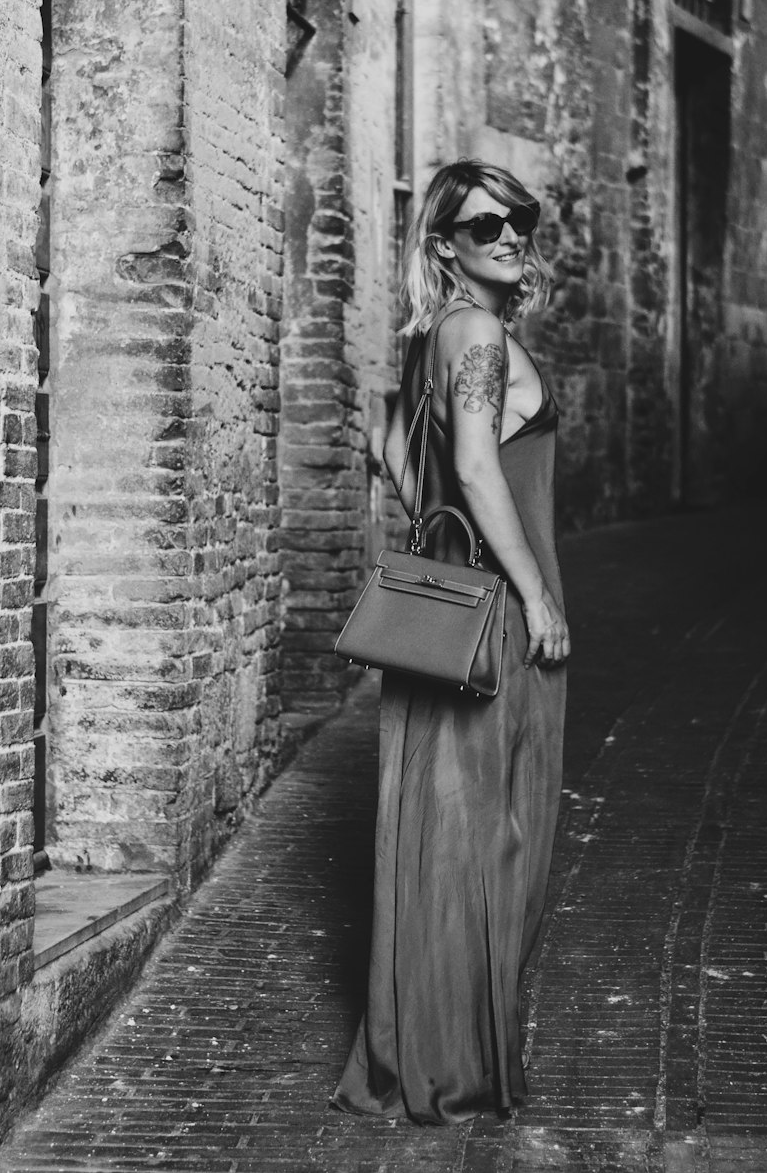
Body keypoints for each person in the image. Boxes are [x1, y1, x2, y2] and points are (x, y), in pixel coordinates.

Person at [332, 159, 571, 1124]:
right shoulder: (477, 333)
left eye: (520, 219)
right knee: (495, 836)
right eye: (484, 227)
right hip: (498, 618)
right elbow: (475, 471)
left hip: (446, 612)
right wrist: (538, 597)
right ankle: (453, 1072)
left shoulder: (433, 337)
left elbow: (389, 447)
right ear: (445, 245)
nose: (510, 236)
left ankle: (422, 1055)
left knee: (440, 834)